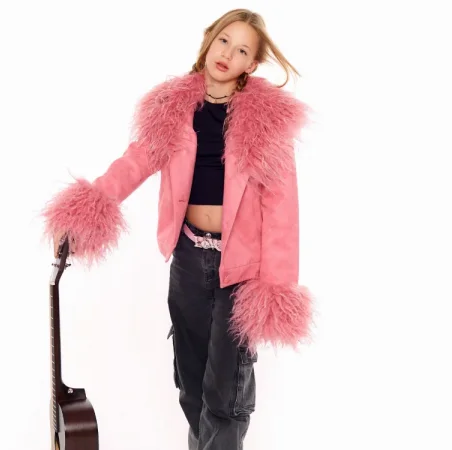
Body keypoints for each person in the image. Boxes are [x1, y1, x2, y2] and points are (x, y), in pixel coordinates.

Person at [41, 8, 314, 449]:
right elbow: (134, 163)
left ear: (252, 64)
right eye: (224, 41)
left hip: (241, 268)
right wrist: (83, 212)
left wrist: (276, 285)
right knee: (191, 384)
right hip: (188, 259)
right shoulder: (172, 108)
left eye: (241, 50)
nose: (228, 54)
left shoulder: (267, 122)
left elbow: (282, 208)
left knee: (225, 394)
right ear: (209, 39)